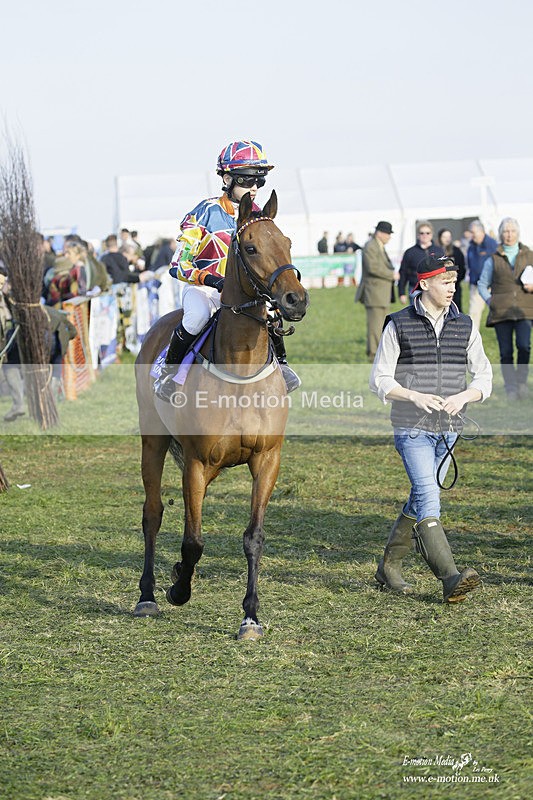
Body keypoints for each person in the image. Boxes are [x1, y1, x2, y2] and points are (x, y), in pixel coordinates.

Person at [370, 254, 492, 603]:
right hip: (411, 427)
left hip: (450, 429)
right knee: (429, 496)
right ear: (424, 284)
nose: (453, 288)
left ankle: (388, 569)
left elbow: (484, 376)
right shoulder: (398, 324)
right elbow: (379, 379)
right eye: (445, 281)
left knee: (420, 494)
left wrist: (466, 395)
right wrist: (412, 395)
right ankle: (451, 577)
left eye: (454, 282)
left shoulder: (466, 325)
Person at [155, 139, 300, 399]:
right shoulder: (204, 212)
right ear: (227, 178)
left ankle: (284, 367)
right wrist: (213, 281)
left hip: (244, 292)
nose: (254, 188)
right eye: (246, 180)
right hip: (204, 290)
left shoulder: (260, 217)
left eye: (259, 181)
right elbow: (178, 266)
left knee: (270, 313)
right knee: (197, 316)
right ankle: (168, 371)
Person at [478, 217, 533, 401]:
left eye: (512, 231)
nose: (509, 235)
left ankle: (522, 382)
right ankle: (510, 388)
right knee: (506, 352)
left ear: (518, 234)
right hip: (501, 312)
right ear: (501, 234)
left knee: (524, 346)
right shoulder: (492, 259)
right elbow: (482, 284)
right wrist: (490, 301)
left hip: (525, 310)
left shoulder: (529, 255)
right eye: (506, 231)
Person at [355, 221, 396, 361]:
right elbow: (372, 268)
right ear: (380, 233)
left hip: (381, 293)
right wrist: (392, 275)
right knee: (375, 326)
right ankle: (373, 355)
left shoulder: (378, 246)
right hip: (374, 293)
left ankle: (379, 353)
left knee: (381, 325)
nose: (389, 237)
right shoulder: (371, 246)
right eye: (388, 234)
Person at [0, 265, 25, 421]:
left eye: (2, 283)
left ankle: (18, 404)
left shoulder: (7, 298)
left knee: (11, 366)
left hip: (5, 342)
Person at [398, 221, 444, 304]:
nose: (425, 235)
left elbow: (444, 270)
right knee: (416, 316)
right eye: (422, 233)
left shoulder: (439, 251)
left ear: (432, 234)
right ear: (418, 235)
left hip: (435, 289)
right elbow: (403, 272)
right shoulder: (410, 252)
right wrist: (401, 293)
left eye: (427, 233)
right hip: (416, 290)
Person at [466, 220, 498, 330]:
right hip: (476, 284)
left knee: (497, 310)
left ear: (482, 231)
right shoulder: (471, 246)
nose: (472, 235)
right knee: (473, 312)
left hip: (492, 284)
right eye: (471, 232)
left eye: (474, 232)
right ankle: (472, 338)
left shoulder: (492, 245)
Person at [437, 228, 466, 311]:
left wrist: (454, 280)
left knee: (456, 308)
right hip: (439, 285)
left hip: (454, 285)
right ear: (440, 238)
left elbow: (462, 268)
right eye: (444, 237)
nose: (447, 239)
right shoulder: (436, 251)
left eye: (448, 236)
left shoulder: (456, 251)